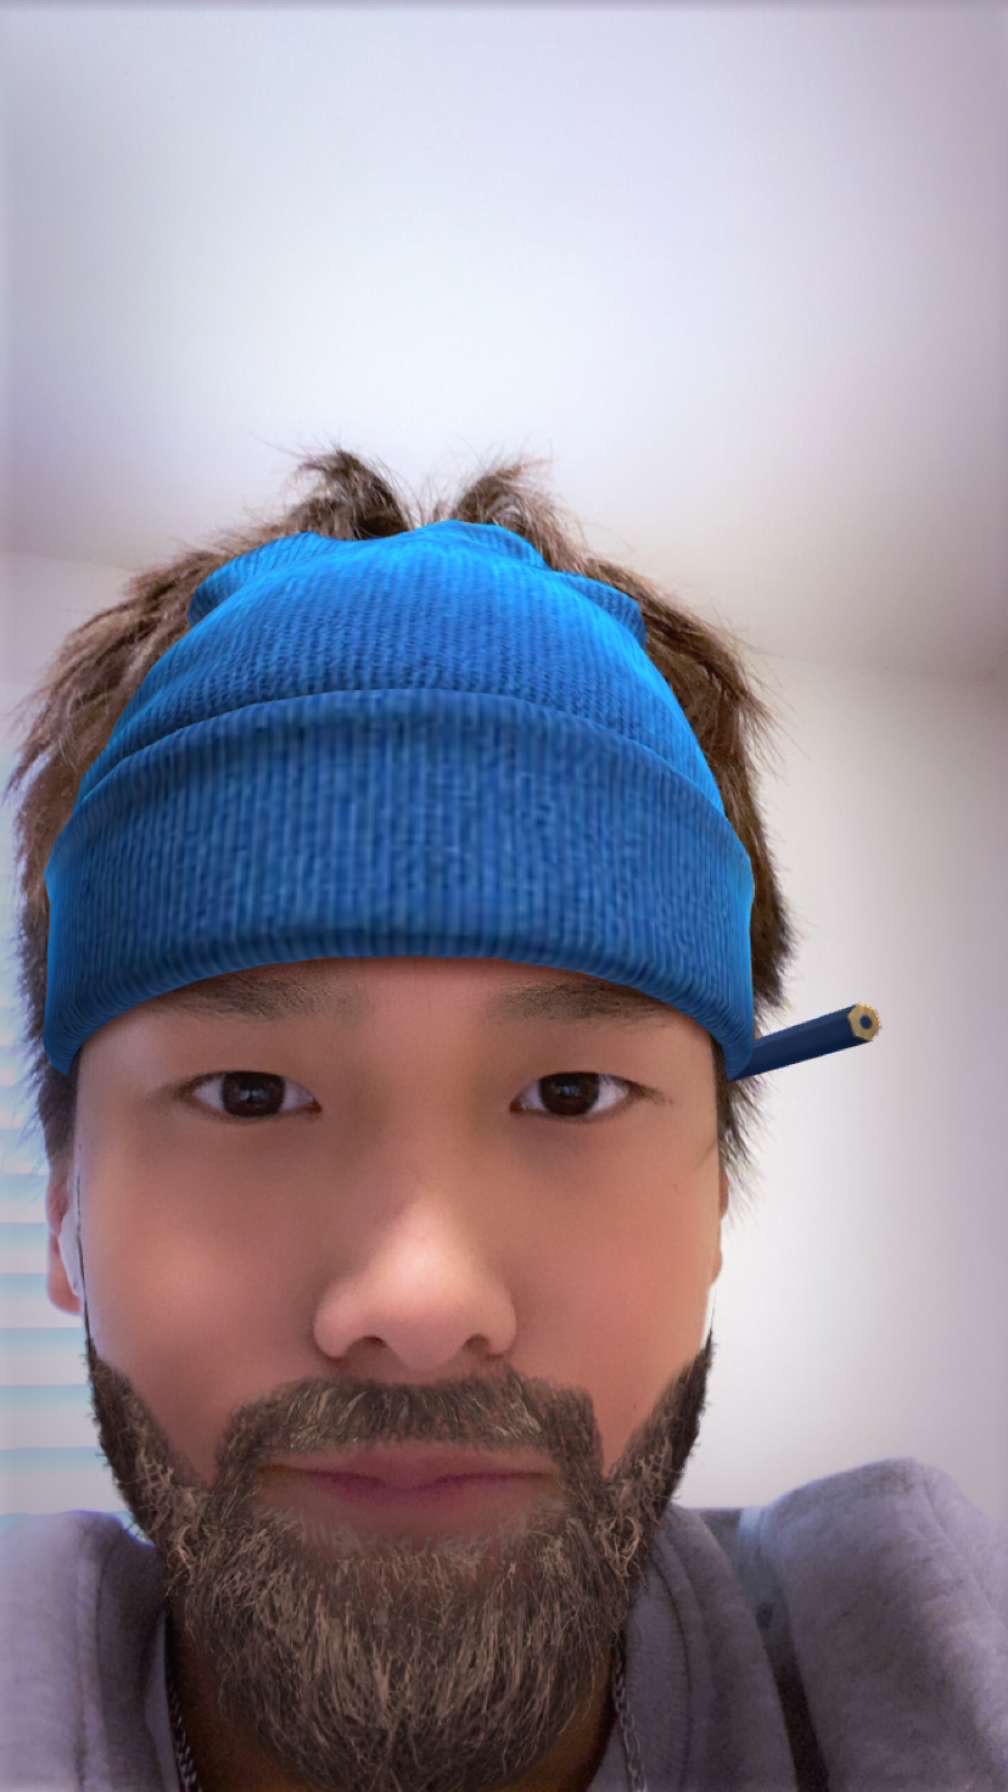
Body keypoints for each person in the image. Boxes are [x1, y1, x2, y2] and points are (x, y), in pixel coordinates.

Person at [1, 449, 1004, 1792]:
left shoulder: (927, 1658)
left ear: (716, 1201)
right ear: (65, 1206)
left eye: (570, 1094)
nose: (420, 1305)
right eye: (250, 1095)